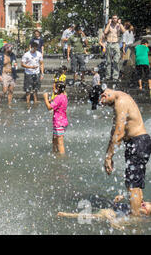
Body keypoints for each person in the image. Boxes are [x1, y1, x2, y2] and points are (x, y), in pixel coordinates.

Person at [99, 88, 151, 216]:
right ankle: (138, 211)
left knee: (132, 184)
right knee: (133, 182)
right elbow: (114, 131)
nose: (107, 106)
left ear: (104, 95)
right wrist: (108, 154)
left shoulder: (121, 101)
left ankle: (135, 220)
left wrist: (109, 157)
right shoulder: (121, 99)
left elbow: (119, 132)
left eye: (106, 103)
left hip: (138, 142)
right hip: (137, 143)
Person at [57, 195, 151, 230]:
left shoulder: (141, 218)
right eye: (147, 202)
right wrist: (116, 199)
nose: (145, 203)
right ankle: (70, 215)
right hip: (114, 210)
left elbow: (132, 220)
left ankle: (69, 215)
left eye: (147, 206)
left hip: (117, 215)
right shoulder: (133, 206)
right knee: (101, 213)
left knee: (100, 215)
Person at [43, 82, 68, 155]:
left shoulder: (58, 97)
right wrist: (51, 100)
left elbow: (49, 107)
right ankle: (54, 154)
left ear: (58, 89)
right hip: (62, 121)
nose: (53, 90)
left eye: (54, 88)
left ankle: (62, 158)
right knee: (54, 140)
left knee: (60, 142)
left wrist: (45, 98)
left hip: (59, 123)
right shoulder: (64, 96)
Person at [104, 15, 126, 81]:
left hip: (116, 43)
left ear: (117, 19)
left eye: (115, 18)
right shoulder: (109, 25)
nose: (114, 19)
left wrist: (119, 23)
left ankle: (115, 76)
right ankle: (108, 76)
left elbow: (124, 31)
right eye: (113, 18)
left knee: (116, 60)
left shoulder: (118, 25)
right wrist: (108, 23)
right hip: (109, 43)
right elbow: (105, 32)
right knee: (108, 61)